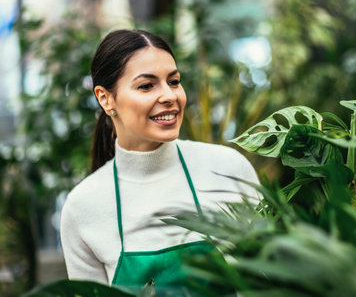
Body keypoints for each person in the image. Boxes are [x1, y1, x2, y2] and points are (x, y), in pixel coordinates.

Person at [60, 29, 259, 292]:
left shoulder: (227, 169)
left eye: (174, 81)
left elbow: (274, 280)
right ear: (105, 98)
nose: (169, 96)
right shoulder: (83, 207)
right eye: (146, 85)